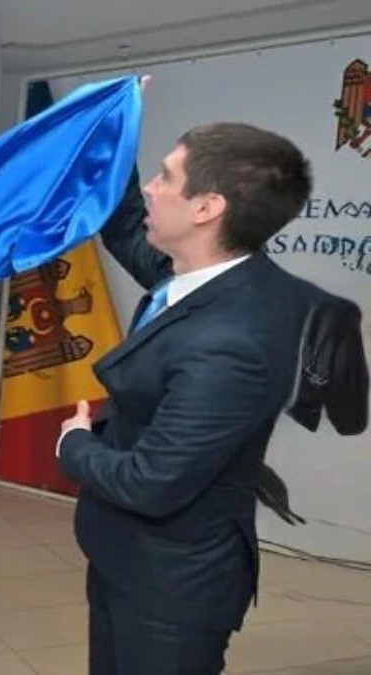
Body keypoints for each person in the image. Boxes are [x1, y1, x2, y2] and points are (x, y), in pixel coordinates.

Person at [55, 120, 321, 674]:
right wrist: (116, 125)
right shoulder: (200, 276)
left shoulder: (234, 341)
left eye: (165, 177)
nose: (152, 189)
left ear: (206, 208)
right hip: (127, 558)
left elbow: (150, 483)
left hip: (172, 588)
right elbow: (125, 221)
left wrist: (73, 444)